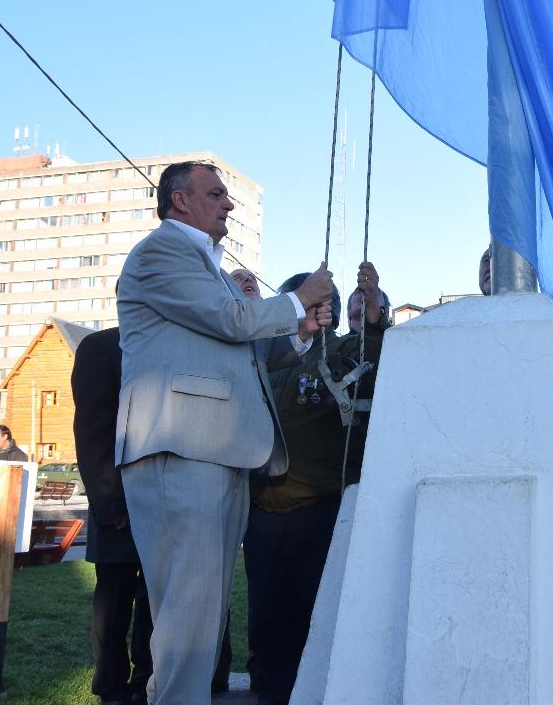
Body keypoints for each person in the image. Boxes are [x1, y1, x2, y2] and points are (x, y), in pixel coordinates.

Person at [115, 160, 334, 703]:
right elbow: (235, 323)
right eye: (216, 194)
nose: (229, 205)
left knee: (202, 618)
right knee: (188, 615)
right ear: (179, 201)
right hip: (180, 452)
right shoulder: (162, 251)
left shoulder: (203, 268)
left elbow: (244, 351)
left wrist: (298, 332)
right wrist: (299, 297)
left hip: (216, 454)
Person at [244, 262, 388, 705]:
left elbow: (377, 352)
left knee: (317, 616)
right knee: (268, 619)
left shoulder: (342, 349)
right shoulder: (262, 355)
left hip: (318, 508)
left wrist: (377, 313)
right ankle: (270, 691)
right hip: (262, 513)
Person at [73, 327, 153, 705]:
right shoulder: (100, 347)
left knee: (155, 599)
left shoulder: (166, 343)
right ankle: (111, 687)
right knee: (114, 599)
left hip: (162, 501)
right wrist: (109, 501)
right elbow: (92, 431)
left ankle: (147, 679)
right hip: (118, 501)